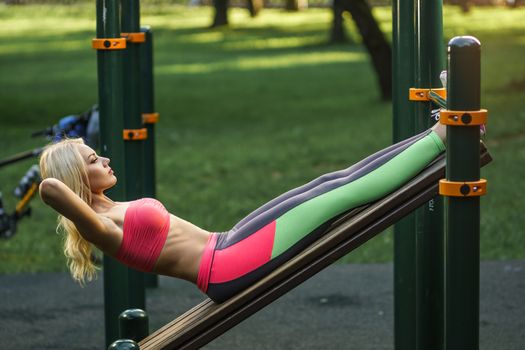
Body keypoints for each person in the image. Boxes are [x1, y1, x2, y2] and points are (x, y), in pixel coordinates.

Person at [39, 123, 447, 303]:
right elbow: (51, 188)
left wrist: (77, 156)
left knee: (330, 181)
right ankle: (443, 141)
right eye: (94, 160)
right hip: (224, 267)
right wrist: (63, 163)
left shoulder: (112, 208)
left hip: (226, 243)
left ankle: (434, 132)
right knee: (342, 196)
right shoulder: (101, 227)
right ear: (78, 176)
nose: (105, 159)